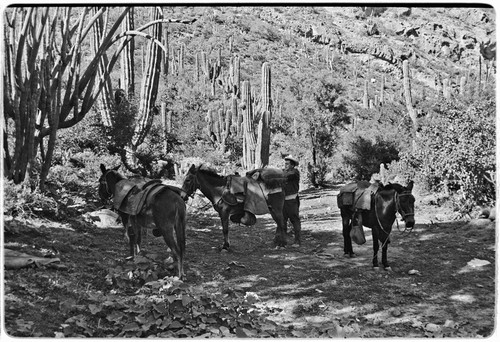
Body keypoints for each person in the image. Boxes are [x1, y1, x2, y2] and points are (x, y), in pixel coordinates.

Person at [282, 155, 301, 246]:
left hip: (292, 200)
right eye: (285, 164)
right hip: (283, 201)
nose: (285, 165)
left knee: (295, 220)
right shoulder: (284, 172)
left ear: (292, 165)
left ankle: (297, 241)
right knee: (283, 221)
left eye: (287, 164)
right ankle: (283, 241)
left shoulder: (294, 172)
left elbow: (286, 175)